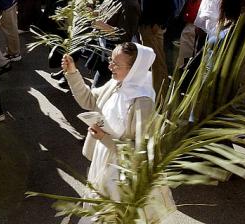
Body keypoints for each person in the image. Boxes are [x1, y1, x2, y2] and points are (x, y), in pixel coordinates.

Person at [61, 43, 175, 222]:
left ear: (135, 69)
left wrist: (105, 138)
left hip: (121, 174)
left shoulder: (143, 102)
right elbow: (89, 100)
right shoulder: (116, 84)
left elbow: (141, 153)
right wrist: (73, 72)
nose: (110, 66)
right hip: (102, 160)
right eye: (110, 60)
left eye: (116, 64)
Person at [88, 0, 141, 87]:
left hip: (116, 57)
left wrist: (102, 25)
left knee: (96, 91)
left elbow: (125, 35)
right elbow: (103, 12)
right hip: (103, 51)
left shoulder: (130, 4)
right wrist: (92, 13)